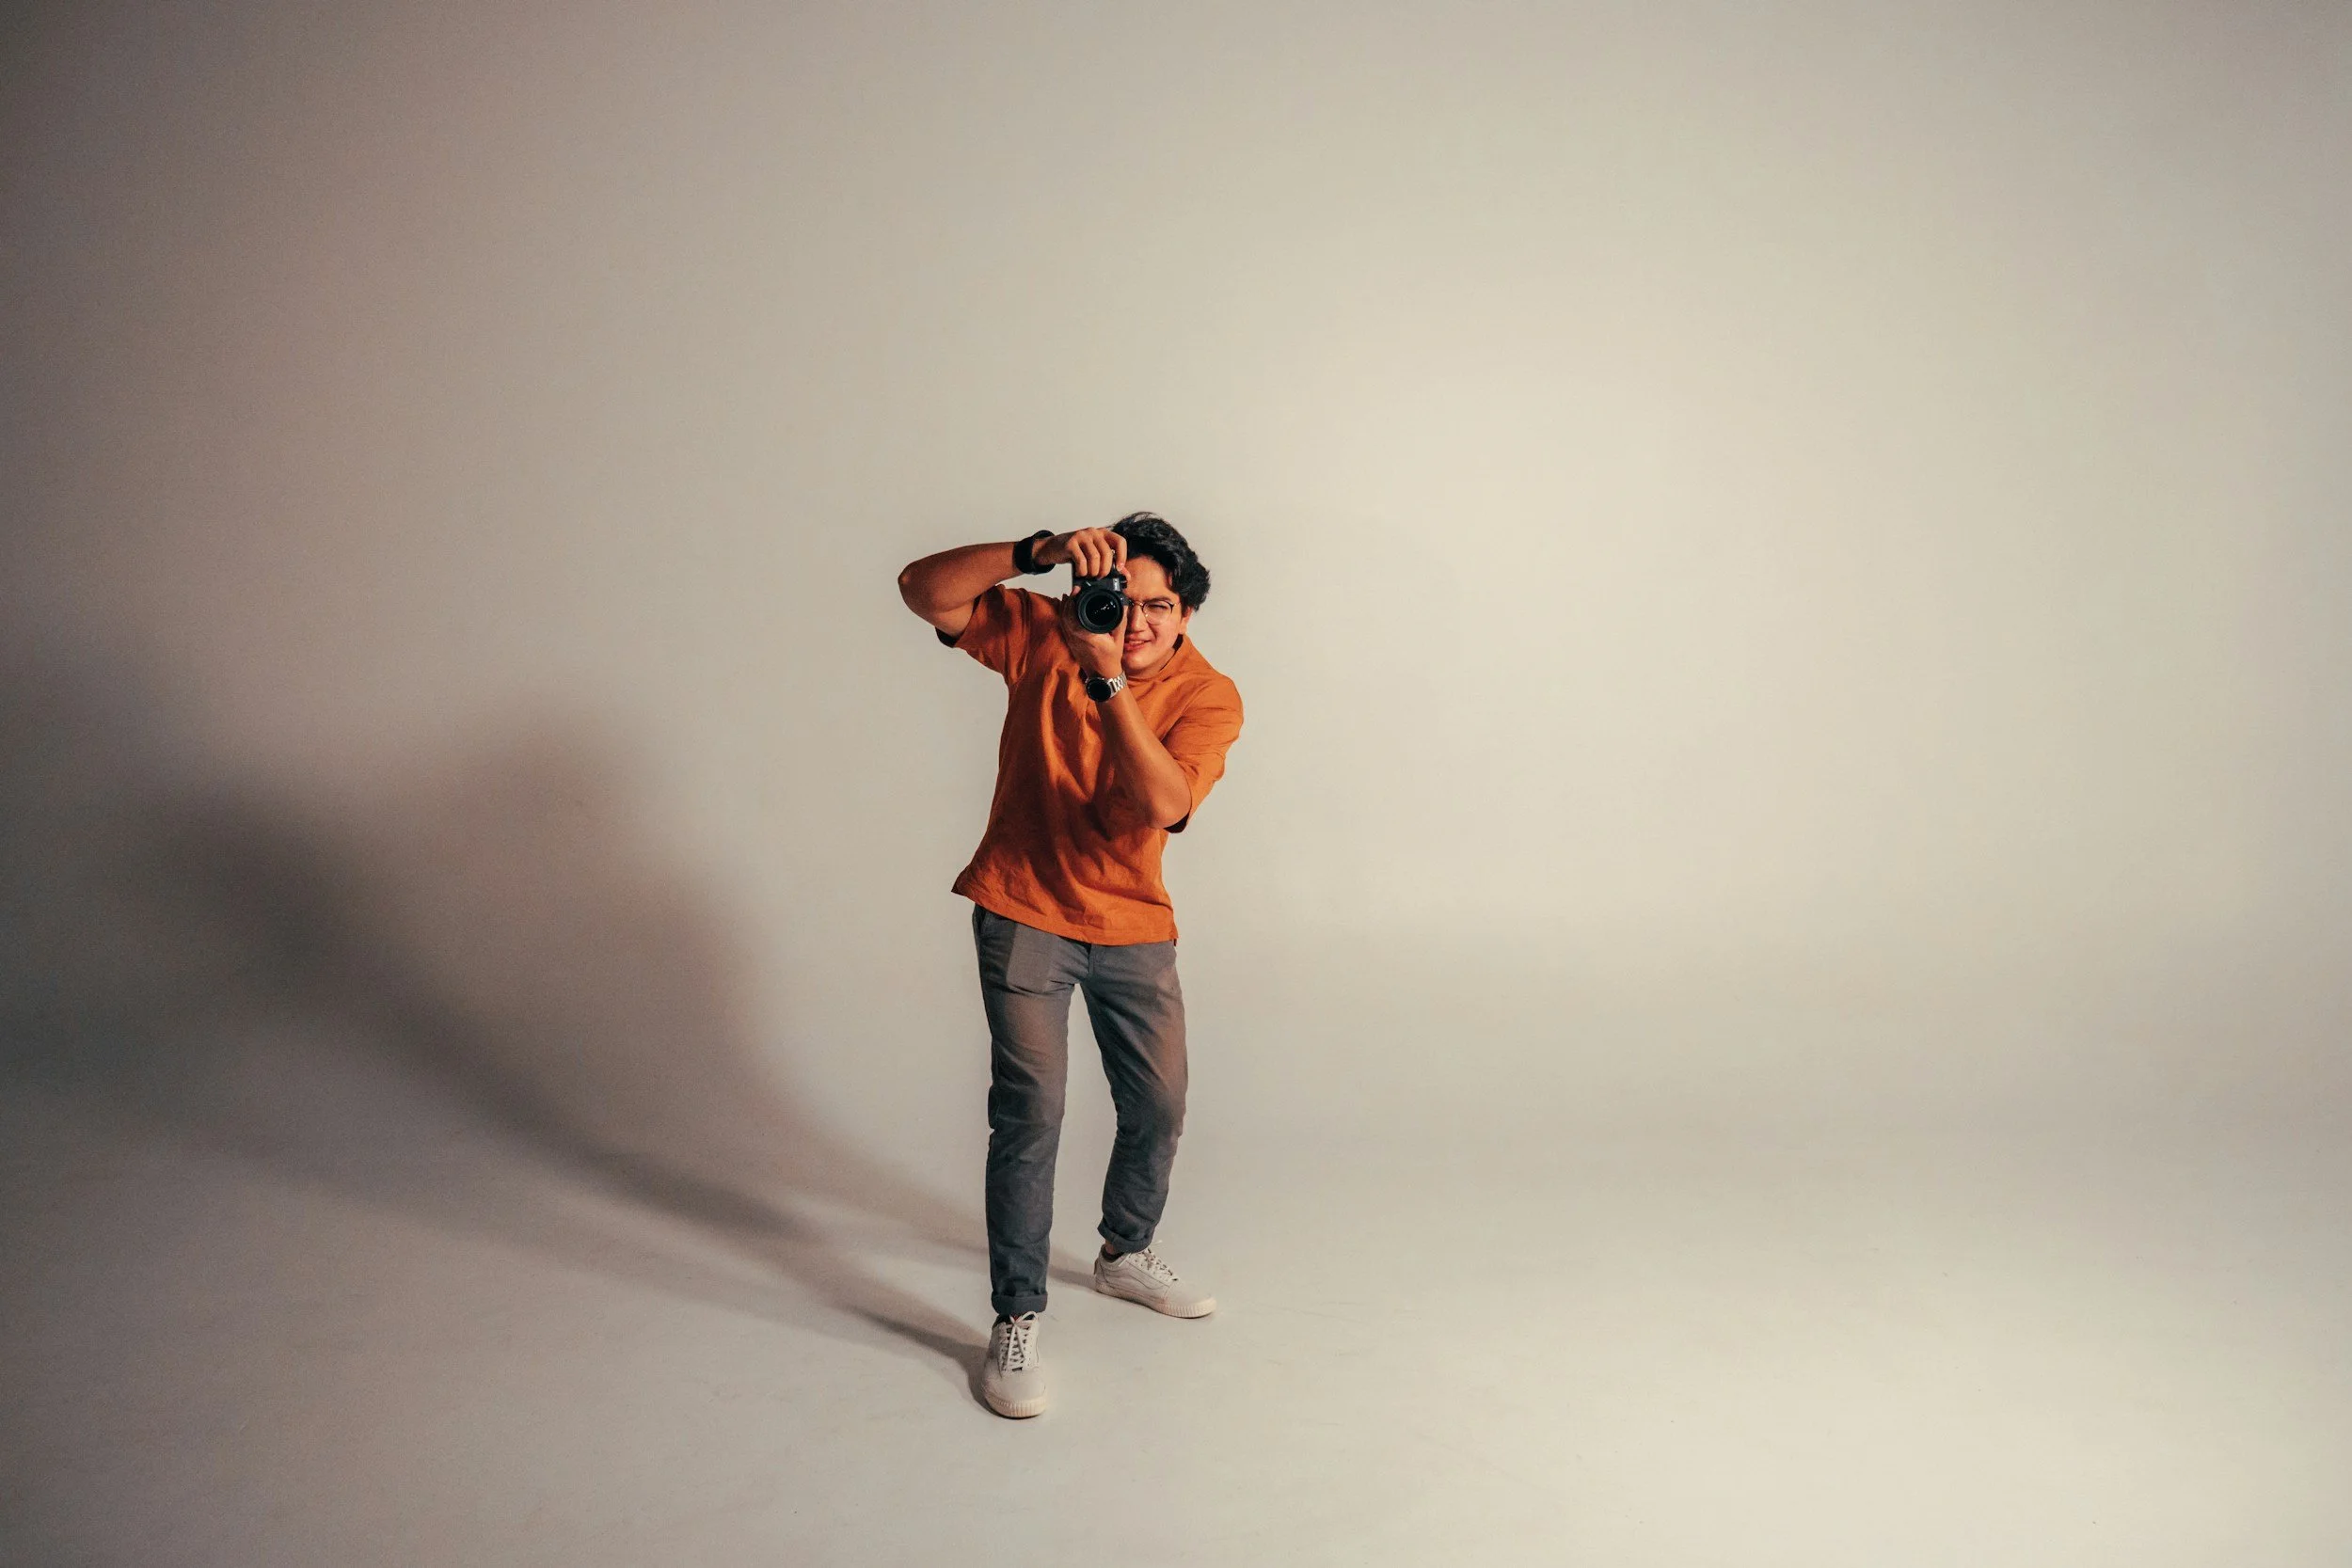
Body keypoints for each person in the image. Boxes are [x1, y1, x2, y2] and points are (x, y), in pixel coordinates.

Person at [896, 514, 1244, 1418]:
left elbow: (1165, 802)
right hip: (1021, 909)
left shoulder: (1210, 694)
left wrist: (1105, 686)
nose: (1134, 623)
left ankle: (1124, 1253)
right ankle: (1016, 1312)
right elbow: (921, 590)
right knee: (1032, 1110)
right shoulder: (1051, 629)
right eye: (1120, 599)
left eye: (1158, 607)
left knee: (1160, 1100)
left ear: (1187, 616)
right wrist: (1036, 553)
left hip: (1132, 923)